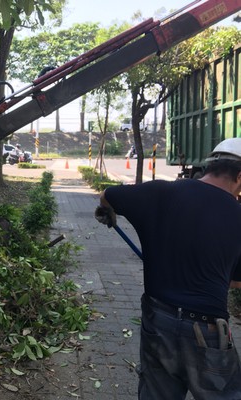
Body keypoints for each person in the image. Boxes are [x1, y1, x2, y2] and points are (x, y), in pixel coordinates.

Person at [94, 137, 241, 400]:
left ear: (208, 168)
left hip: (158, 320)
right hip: (207, 332)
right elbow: (235, 281)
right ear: (239, 177)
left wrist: (108, 211)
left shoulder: (161, 192)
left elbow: (107, 195)